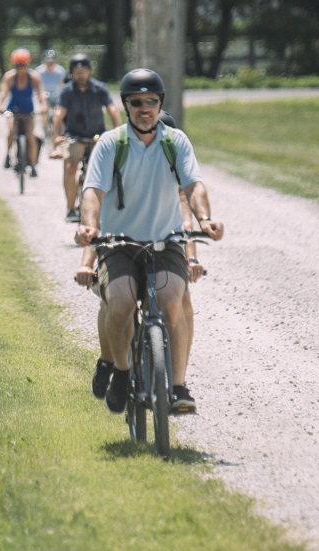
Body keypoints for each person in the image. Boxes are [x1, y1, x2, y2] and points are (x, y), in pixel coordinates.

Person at [73, 68, 224, 415]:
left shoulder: (175, 142)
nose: (145, 108)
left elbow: (194, 186)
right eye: (137, 102)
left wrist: (205, 219)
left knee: (173, 302)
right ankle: (122, 371)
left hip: (165, 243)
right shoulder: (111, 143)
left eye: (151, 102)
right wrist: (90, 227)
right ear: (126, 106)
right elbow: (93, 192)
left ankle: (179, 386)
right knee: (121, 303)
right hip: (118, 244)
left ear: (160, 104)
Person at [49, 53, 121, 223]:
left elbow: (112, 110)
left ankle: (104, 207)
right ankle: (70, 208)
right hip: (75, 136)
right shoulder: (67, 91)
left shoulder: (99, 89)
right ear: (72, 73)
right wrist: (56, 140)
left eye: (83, 71)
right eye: (76, 72)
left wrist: (119, 135)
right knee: (71, 166)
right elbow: (58, 115)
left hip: (97, 136)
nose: (80, 75)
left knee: (107, 169)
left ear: (89, 71)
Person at [0, 48, 46, 176]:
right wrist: (0, 105)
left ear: (27, 64)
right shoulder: (10, 77)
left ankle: (33, 165)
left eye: (23, 66)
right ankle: (8, 154)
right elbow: (3, 92)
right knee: (12, 130)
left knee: (31, 135)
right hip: (13, 110)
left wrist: (44, 106)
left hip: (28, 111)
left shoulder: (34, 77)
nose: (20, 69)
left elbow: (41, 93)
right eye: (18, 66)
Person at [34, 49, 67, 142]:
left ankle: (59, 131)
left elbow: (63, 85)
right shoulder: (39, 71)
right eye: (48, 62)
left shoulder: (60, 71)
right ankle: (44, 127)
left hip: (57, 96)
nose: (50, 64)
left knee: (59, 113)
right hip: (44, 96)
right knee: (44, 111)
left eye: (52, 62)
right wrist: (40, 96)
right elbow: (36, 86)